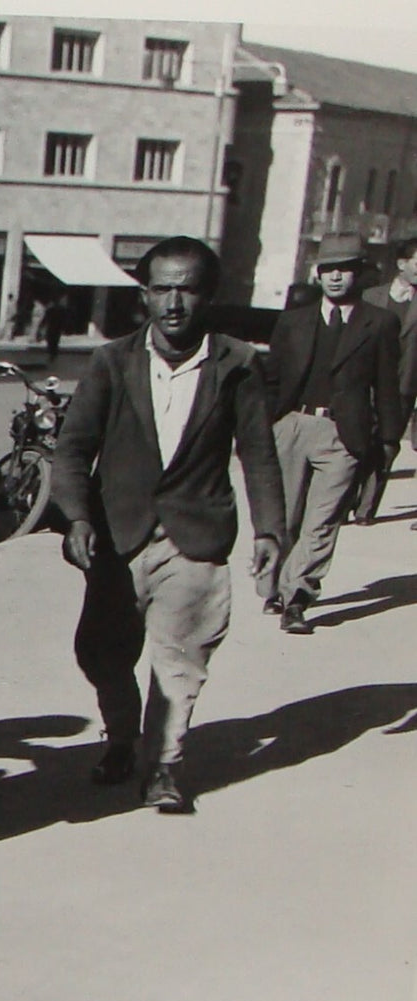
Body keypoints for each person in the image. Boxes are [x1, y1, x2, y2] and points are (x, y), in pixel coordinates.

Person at [51, 235, 284, 813]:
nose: (173, 302)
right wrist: (77, 517)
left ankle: (164, 766)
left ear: (209, 295)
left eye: (187, 288)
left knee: (180, 657)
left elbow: (258, 452)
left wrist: (271, 531)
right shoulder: (112, 361)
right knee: (103, 653)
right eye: (161, 289)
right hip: (117, 534)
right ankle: (123, 737)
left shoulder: (238, 364)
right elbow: (73, 449)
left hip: (196, 534)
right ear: (145, 295)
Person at [261, 233, 403, 634]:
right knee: (285, 516)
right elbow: (270, 378)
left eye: (344, 269)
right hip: (292, 425)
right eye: (328, 270)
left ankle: (298, 598)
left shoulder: (380, 323)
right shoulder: (294, 319)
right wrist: (266, 423)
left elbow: (387, 385)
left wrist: (387, 441)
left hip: (345, 433)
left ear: (359, 273)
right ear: (317, 274)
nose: (335, 277)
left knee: (322, 521)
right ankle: (275, 585)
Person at [351, 237, 417, 524]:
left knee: (387, 446)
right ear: (402, 264)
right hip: (364, 384)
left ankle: (366, 509)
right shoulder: (370, 297)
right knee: (354, 443)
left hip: (402, 389)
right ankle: (342, 502)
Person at [39, 292, 67, 363]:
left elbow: (45, 319)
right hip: (57, 327)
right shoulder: (62, 310)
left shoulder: (50, 310)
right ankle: (53, 354)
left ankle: (52, 353)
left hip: (51, 327)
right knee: (55, 341)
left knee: (51, 340)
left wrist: (42, 325)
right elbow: (64, 320)